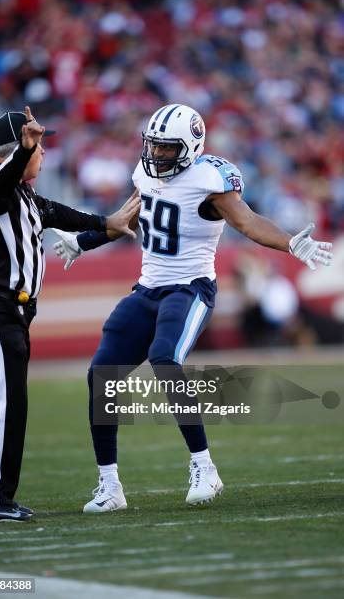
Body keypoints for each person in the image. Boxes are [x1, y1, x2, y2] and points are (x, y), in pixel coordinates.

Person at [53, 103, 333, 513]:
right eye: (153, 146)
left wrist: (293, 243)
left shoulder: (211, 178)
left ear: (190, 147)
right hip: (147, 289)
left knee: (164, 358)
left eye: (166, 148)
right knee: (101, 376)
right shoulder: (144, 172)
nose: (155, 155)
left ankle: (205, 467)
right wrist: (85, 241)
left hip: (190, 288)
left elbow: (249, 222)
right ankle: (110, 485)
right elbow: (126, 219)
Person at [0, 107, 140, 523]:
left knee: (9, 403)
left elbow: (57, 213)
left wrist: (106, 222)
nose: (44, 154)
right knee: (6, 402)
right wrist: (24, 151)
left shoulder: (24, 195)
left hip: (11, 312)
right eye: (39, 146)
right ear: (21, 148)